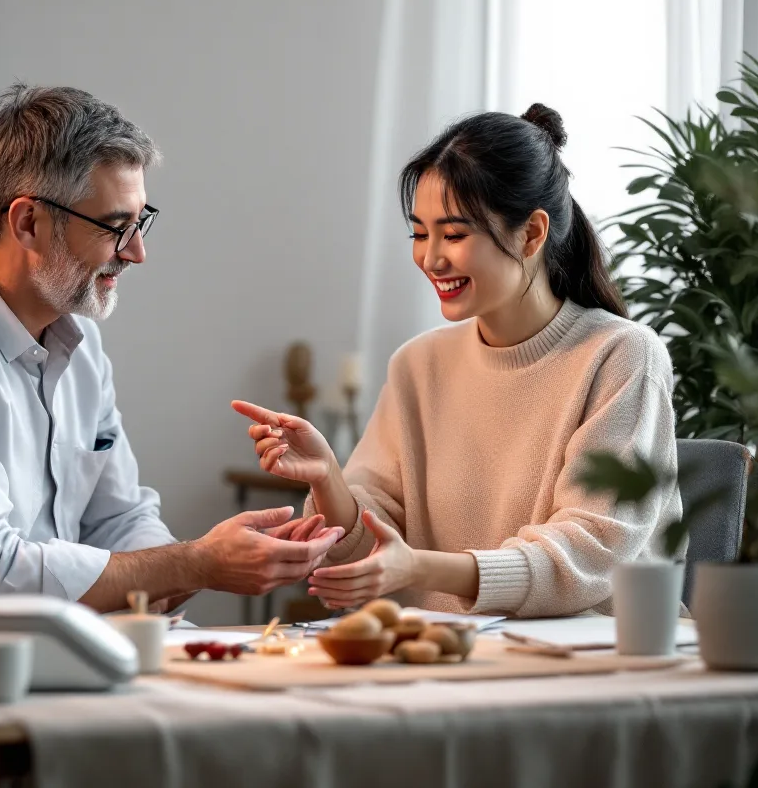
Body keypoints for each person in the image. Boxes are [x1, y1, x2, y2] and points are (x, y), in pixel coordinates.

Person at [0, 84, 341, 634]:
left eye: (141, 221)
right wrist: (198, 563)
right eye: (115, 227)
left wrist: (198, 569)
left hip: (42, 664)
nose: (137, 251)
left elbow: (121, 518)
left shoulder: (77, 341)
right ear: (28, 223)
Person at [235, 104, 680, 618]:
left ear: (532, 234)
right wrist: (326, 477)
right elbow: (369, 545)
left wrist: (420, 569)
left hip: (593, 661)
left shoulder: (620, 356)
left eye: (454, 234)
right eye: (419, 234)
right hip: (450, 658)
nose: (431, 258)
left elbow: (590, 552)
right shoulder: (418, 365)